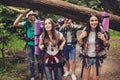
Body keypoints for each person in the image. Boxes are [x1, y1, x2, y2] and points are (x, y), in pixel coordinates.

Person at [78, 13, 110, 80]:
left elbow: (106, 45)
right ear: (89, 22)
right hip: (86, 58)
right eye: (92, 20)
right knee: (85, 78)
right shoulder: (85, 30)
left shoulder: (101, 31)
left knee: (96, 79)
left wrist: (104, 39)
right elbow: (81, 44)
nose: (94, 22)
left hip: (97, 58)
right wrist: (80, 38)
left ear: (98, 21)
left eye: (96, 20)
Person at [13, 10, 38, 80]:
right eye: (30, 15)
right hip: (29, 45)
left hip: (38, 45)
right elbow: (15, 24)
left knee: (39, 60)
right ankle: (32, 76)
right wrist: (21, 15)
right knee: (31, 61)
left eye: (33, 15)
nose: (32, 16)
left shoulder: (38, 23)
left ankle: (40, 73)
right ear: (28, 17)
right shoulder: (26, 23)